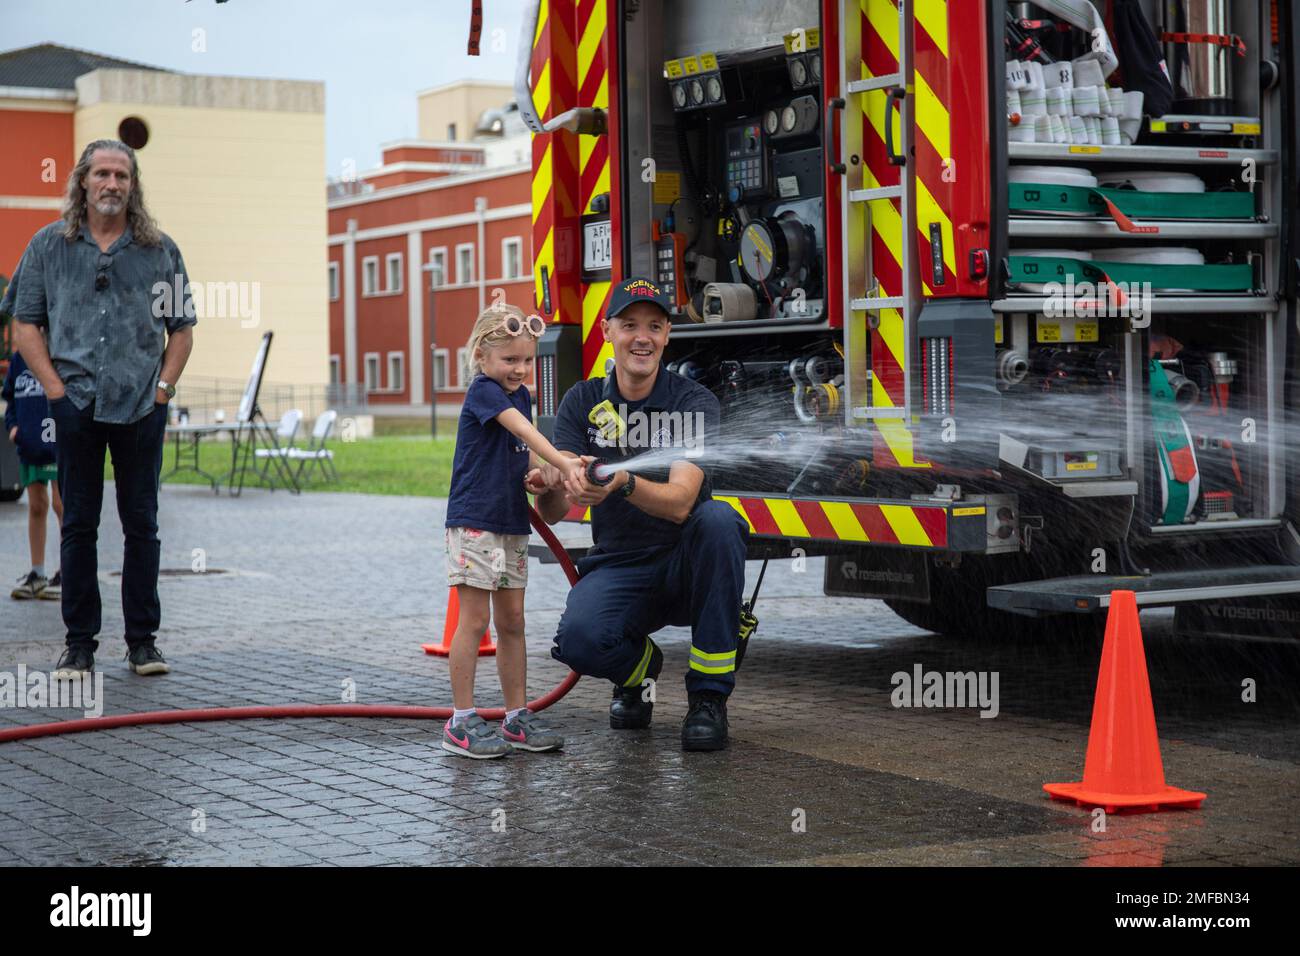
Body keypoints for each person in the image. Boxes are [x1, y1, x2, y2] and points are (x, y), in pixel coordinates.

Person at [531, 277, 750, 752]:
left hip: (687, 568)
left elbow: (679, 504)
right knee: (579, 641)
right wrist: (552, 484)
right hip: (621, 565)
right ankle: (638, 671)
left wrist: (621, 482)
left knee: (719, 521)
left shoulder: (693, 402)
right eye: (629, 325)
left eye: (654, 325)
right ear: (608, 330)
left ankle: (709, 700)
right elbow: (552, 513)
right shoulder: (582, 402)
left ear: (668, 335)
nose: (642, 337)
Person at [10, 139, 195, 679]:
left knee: (142, 524)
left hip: (141, 407)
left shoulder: (158, 251)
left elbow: (181, 331)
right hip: (76, 406)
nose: (112, 184)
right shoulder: (49, 247)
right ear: (83, 182)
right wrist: (55, 393)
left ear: (133, 185)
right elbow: (24, 326)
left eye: (121, 175)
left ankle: (143, 643)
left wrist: (161, 391)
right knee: (79, 526)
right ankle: (79, 645)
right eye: (102, 174)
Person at [441, 303, 585, 759]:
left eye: (527, 360)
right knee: (476, 621)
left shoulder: (519, 393)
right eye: (510, 360)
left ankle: (515, 716)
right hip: (475, 523)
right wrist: (563, 459)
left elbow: (522, 448)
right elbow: (521, 428)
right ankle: (461, 721)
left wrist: (543, 473)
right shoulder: (484, 391)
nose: (520, 369)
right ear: (483, 355)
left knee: (513, 622)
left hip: (510, 522)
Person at [3, 348, 63, 600]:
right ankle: (37, 573)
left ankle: (68, 572)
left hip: (58, 443)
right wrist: (14, 427)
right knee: (36, 506)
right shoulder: (19, 359)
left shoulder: (60, 351)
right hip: (29, 444)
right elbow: (10, 398)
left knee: (62, 505)